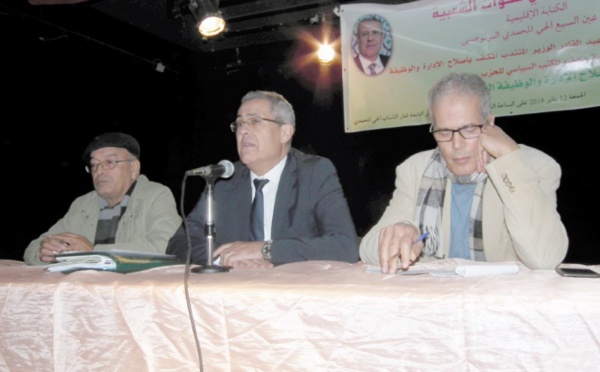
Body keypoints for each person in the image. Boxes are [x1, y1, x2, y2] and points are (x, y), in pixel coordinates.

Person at [359, 72, 568, 273]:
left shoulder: (535, 166)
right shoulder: (416, 170)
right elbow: (367, 250)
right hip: (434, 300)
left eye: (469, 129)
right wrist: (401, 230)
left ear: (490, 124)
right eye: (444, 132)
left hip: (502, 302)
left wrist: (510, 158)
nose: (456, 144)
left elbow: (545, 257)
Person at [167, 90, 359, 269]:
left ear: (285, 132)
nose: (243, 131)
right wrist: (226, 257)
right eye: (240, 124)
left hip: (295, 293)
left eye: (255, 121)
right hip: (235, 292)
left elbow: (344, 246)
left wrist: (265, 251)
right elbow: (178, 244)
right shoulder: (224, 182)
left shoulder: (314, 173)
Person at [23, 132, 182, 265]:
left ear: (133, 168)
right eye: (94, 165)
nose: (100, 170)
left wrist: (93, 252)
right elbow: (32, 250)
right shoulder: (83, 204)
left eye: (110, 162)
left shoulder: (156, 195)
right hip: (89, 291)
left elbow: (168, 248)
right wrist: (45, 251)